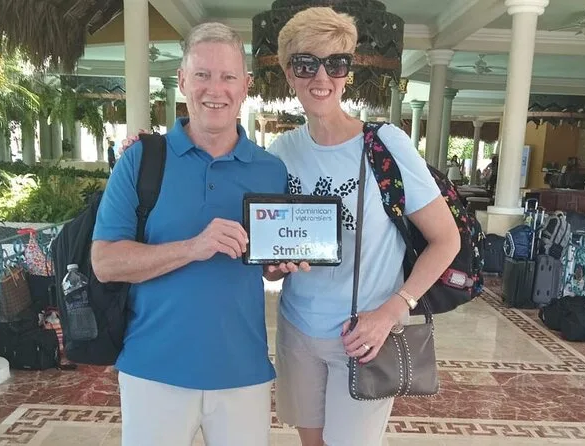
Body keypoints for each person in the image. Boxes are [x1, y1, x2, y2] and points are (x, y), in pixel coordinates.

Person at [263, 8, 460, 446]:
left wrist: (393, 311)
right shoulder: (282, 152)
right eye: (306, 64)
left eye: (335, 64)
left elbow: (446, 239)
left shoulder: (385, 145)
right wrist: (276, 265)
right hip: (297, 329)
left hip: (364, 335)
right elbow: (271, 265)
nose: (321, 77)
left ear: (347, 72)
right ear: (288, 72)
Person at [91, 23, 288, 446]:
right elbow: (105, 263)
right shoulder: (142, 160)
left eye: (228, 76)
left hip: (243, 371)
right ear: (182, 81)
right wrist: (194, 247)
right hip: (153, 370)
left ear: (245, 86)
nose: (215, 89)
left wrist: (281, 263)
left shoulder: (271, 171)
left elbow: (268, 267)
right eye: (202, 75)